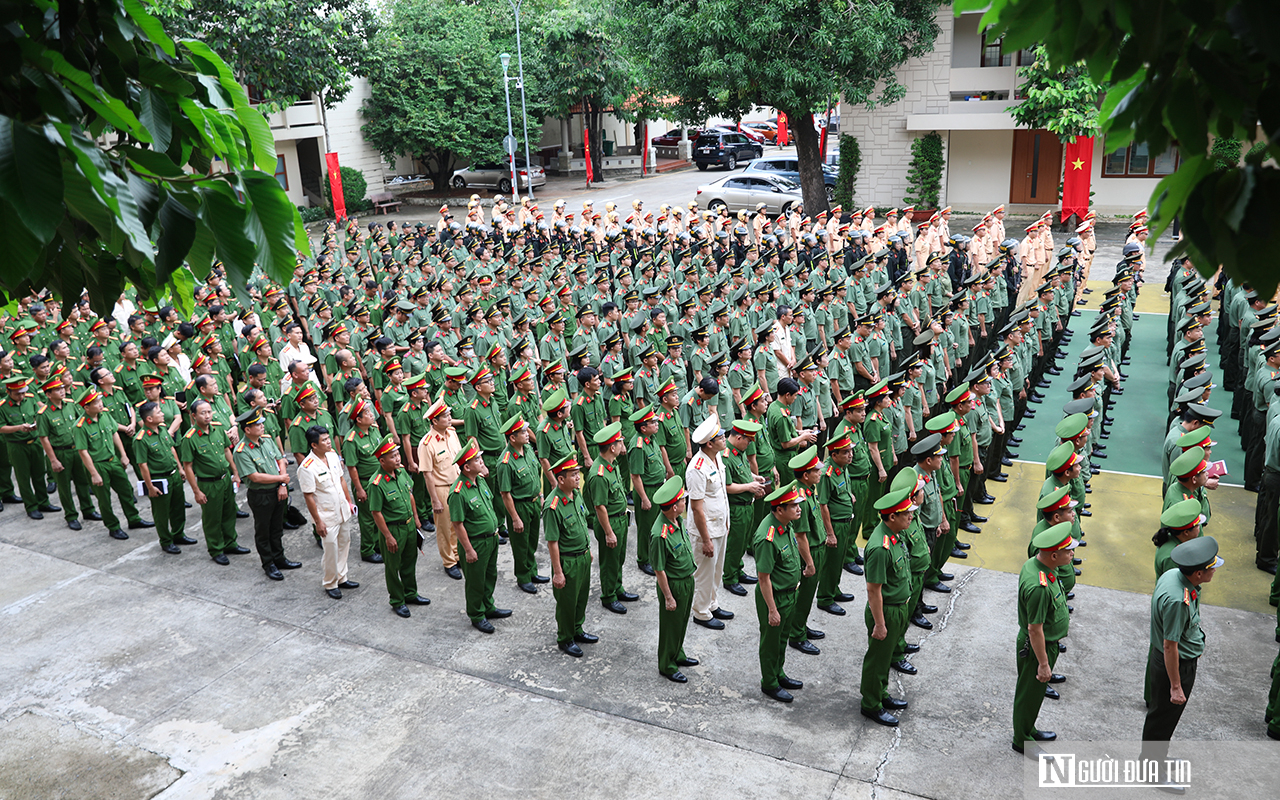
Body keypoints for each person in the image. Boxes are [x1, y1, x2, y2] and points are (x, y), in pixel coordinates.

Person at [1141, 536, 1222, 790]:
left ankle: (1156, 758)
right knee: (1162, 719)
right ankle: (1151, 770)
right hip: (1176, 666)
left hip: (1172, 661)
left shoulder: (1175, 575)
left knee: (1162, 718)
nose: (1214, 570)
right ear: (1198, 573)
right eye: (1211, 568)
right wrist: (1176, 686)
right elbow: (1170, 645)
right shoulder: (1179, 601)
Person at [1012, 521, 1075, 755]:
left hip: (1045, 643)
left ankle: (1028, 728)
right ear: (1054, 555)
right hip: (1038, 646)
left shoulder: (1039, 565)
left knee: (1033, 694)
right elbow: (1034, 629)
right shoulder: (1038, 587)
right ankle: (1021, 739)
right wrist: (1043, 664)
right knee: (1028, 694)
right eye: (1068, 551)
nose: (1072, 554)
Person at [860, 486, 915, 727]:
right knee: (877, 659)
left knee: (884, 659)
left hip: (898, 607)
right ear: (892, 517)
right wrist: (880, 624)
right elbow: (874, 590)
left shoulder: (895, 535)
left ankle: (880, 694)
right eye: (906, 513)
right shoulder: (880, 548)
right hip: (886, 611)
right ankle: (871, 704)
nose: (911, 516)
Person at [449, 437, 511, 633]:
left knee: (490, 575)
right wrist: (468, 549)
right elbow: (458, 524)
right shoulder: (458, 492)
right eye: (477, 460)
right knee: (475, 581)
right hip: (476, 543)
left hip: (490, 538)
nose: (481, 461)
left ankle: (488, 606)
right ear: (466, 467)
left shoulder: (480, 481)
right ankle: (477, 614)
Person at [753, 481, 806, 703]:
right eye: (794, 506)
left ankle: (779, 673)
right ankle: (770, 683)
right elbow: (763, 578)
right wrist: (772, 610)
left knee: (782, 638)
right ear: (779, 509)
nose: (799, 509)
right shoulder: (768, 537)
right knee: (771, 641)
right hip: (774, 597)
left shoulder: (786, 524)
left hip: (789, 593)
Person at [369, 433, 430, 618]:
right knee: (393, 567)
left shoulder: (402, 472)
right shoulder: (376, 484)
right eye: (393, 456)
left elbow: (410, 494)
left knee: (410, 562)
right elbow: (376, 512)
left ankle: (410, 593)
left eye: (397, 454)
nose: (398, 458)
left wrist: (417, 519)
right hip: (393, 529)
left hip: (410, 525)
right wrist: (388, 536)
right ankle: (397, 600)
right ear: (382, 461)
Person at [544, 454, 598, 657]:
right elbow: (552, 542)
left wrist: (589, 549)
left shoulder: (576, 495)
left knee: (581, 597)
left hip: (583, 556)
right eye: (573, 475)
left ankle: (577, 629)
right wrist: (558, 572)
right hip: (567, 561)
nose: (578, 478)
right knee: (567, 603)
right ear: (560, 479)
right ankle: (565, 638)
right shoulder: (553, 506)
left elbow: (583, 525)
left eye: (578, 474)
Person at [296, 425, 359, 599]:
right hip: (326, 515)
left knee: (344, 542)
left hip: (342, 510)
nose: (328, 442)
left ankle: (342, 577)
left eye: (328, 438)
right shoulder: (307, 467)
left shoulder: (332, 456)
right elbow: (309, 497)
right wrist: (318, 522)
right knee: (330, 549)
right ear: (314, 445)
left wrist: (349, 501)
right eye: (323, 440)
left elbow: (341, 480)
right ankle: (330, 582)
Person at [233, 408, 295, 581]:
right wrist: (280, 478)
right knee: (263, 530)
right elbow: (254, 477)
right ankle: (268, 563)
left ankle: (280, 558)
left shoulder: (266, 440)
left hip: (278, 490)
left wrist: (282, 483)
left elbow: (280, 460)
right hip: (261, 495)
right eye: (257, 424)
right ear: (247, 429)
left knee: (277, 528)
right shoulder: (241, 450)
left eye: (261, 423)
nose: (262, 426)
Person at [179, 397, 242, 562]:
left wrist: (235, 472)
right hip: (208, 483)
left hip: (225, 479)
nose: (207, 416)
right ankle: (216, 549)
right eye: (203, 413)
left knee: (229, 512)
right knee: (212, 518)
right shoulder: (189, 438)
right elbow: (188, 467)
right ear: (193, 416)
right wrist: (196, 491)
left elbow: (227, 450)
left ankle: (230, 543)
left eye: (209, 412)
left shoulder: (219, 429)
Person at [650, 475, 699, 683]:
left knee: (681, 622)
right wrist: (668, 597)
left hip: (687, 580)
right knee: (670, 627)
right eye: (681, 500)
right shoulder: (659, 534)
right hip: (673, 585)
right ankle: (667, 664)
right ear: (673, 507)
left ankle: (677, 653)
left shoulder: (677, 520)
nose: (684, 502)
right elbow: (659, 570)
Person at [36, 375, 97, 530]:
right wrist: (53, 460)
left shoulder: (70, 405)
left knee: (82, 482)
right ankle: (71, 516)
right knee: (64, 487)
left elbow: (80, 425)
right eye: (57, 390)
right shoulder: (44, 413)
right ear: (48, 394)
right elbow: (44, 438)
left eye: (62, 388)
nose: (62, 391)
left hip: (76, 449)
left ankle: (88, 510)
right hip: (60, 452)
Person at [587, 421, 636, 612]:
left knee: (619, 557)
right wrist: (608, 532)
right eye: (620, 442)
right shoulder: (599, 474)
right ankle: (608, 596)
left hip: (621, 519)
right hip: (610, 522)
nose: (623, 446)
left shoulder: (611, 464)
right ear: (612, 447)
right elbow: (599, 507)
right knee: (609, 561)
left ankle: (617, 587)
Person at [496, 415, 547, 594]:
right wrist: (515, 518)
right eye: (523, 432)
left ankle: (532, 572)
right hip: (520, 506)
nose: (527, 434)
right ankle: (523, 577)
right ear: (512, 437)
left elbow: (535, 474)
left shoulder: (528, 450)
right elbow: (505, 493)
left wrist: (540, 494)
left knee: (532, 541)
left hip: (533, 502)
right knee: (521, 545)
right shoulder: (505, 462)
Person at [134, 399, 191, 553]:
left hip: (173, 474)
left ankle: (178, 534)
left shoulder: (163, 429)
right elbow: (142, 465)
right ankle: (166, 541)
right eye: (158, 412)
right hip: (159, 478)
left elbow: (172, 449)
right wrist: (150, 486)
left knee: (178, 507)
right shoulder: (141, 439)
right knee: (161, 513)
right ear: (149, 419)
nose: (162, 414)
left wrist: (180, 468)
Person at [0, 375, 59, 519]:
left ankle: (43, 502)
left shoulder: (31, 399)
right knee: (23, 477)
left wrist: (35, 424)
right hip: (17, 446)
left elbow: (38, 415)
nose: (21, 396)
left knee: (39, 474)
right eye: (17, 393)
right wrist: (19, 427)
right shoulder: (2, 406)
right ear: (8, 392)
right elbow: (1, 427)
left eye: (23, 392)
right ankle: (31, 506)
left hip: (35, 442)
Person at [417, 398, 463, 580]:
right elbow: (427, 474)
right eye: (445, 416)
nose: (450, 418)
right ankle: (449, 561)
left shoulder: (452, 433)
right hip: (442, 488)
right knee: (444, 527)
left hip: (457, 485)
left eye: (450, 414)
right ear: (434, 421)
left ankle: (458, 555)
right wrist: (434, 499)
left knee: (458, 523)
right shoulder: (427, 443)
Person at [786, 445, 825, 656]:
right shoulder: (799, 497)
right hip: (808, 552)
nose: (820, 473)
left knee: (808, 594)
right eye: (816, 471)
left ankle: (801, 624)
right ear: (805, 475)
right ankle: (796, 634)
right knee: (803, 594)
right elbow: (801, 536)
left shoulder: (807, 490)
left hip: (816, 547)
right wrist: (809, 562)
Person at [721, 419, 767, 595]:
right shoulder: (726, 456)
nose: (749, 445)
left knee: (742, 541)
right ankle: (730, 578)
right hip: (736, 507)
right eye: (748, 440)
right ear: (739, 438)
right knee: (734, 544)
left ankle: (738, 569)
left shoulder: (739, 451)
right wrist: (749, 487)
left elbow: (742, 472)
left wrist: (754, 477)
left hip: (747, 505)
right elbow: (725, 486)